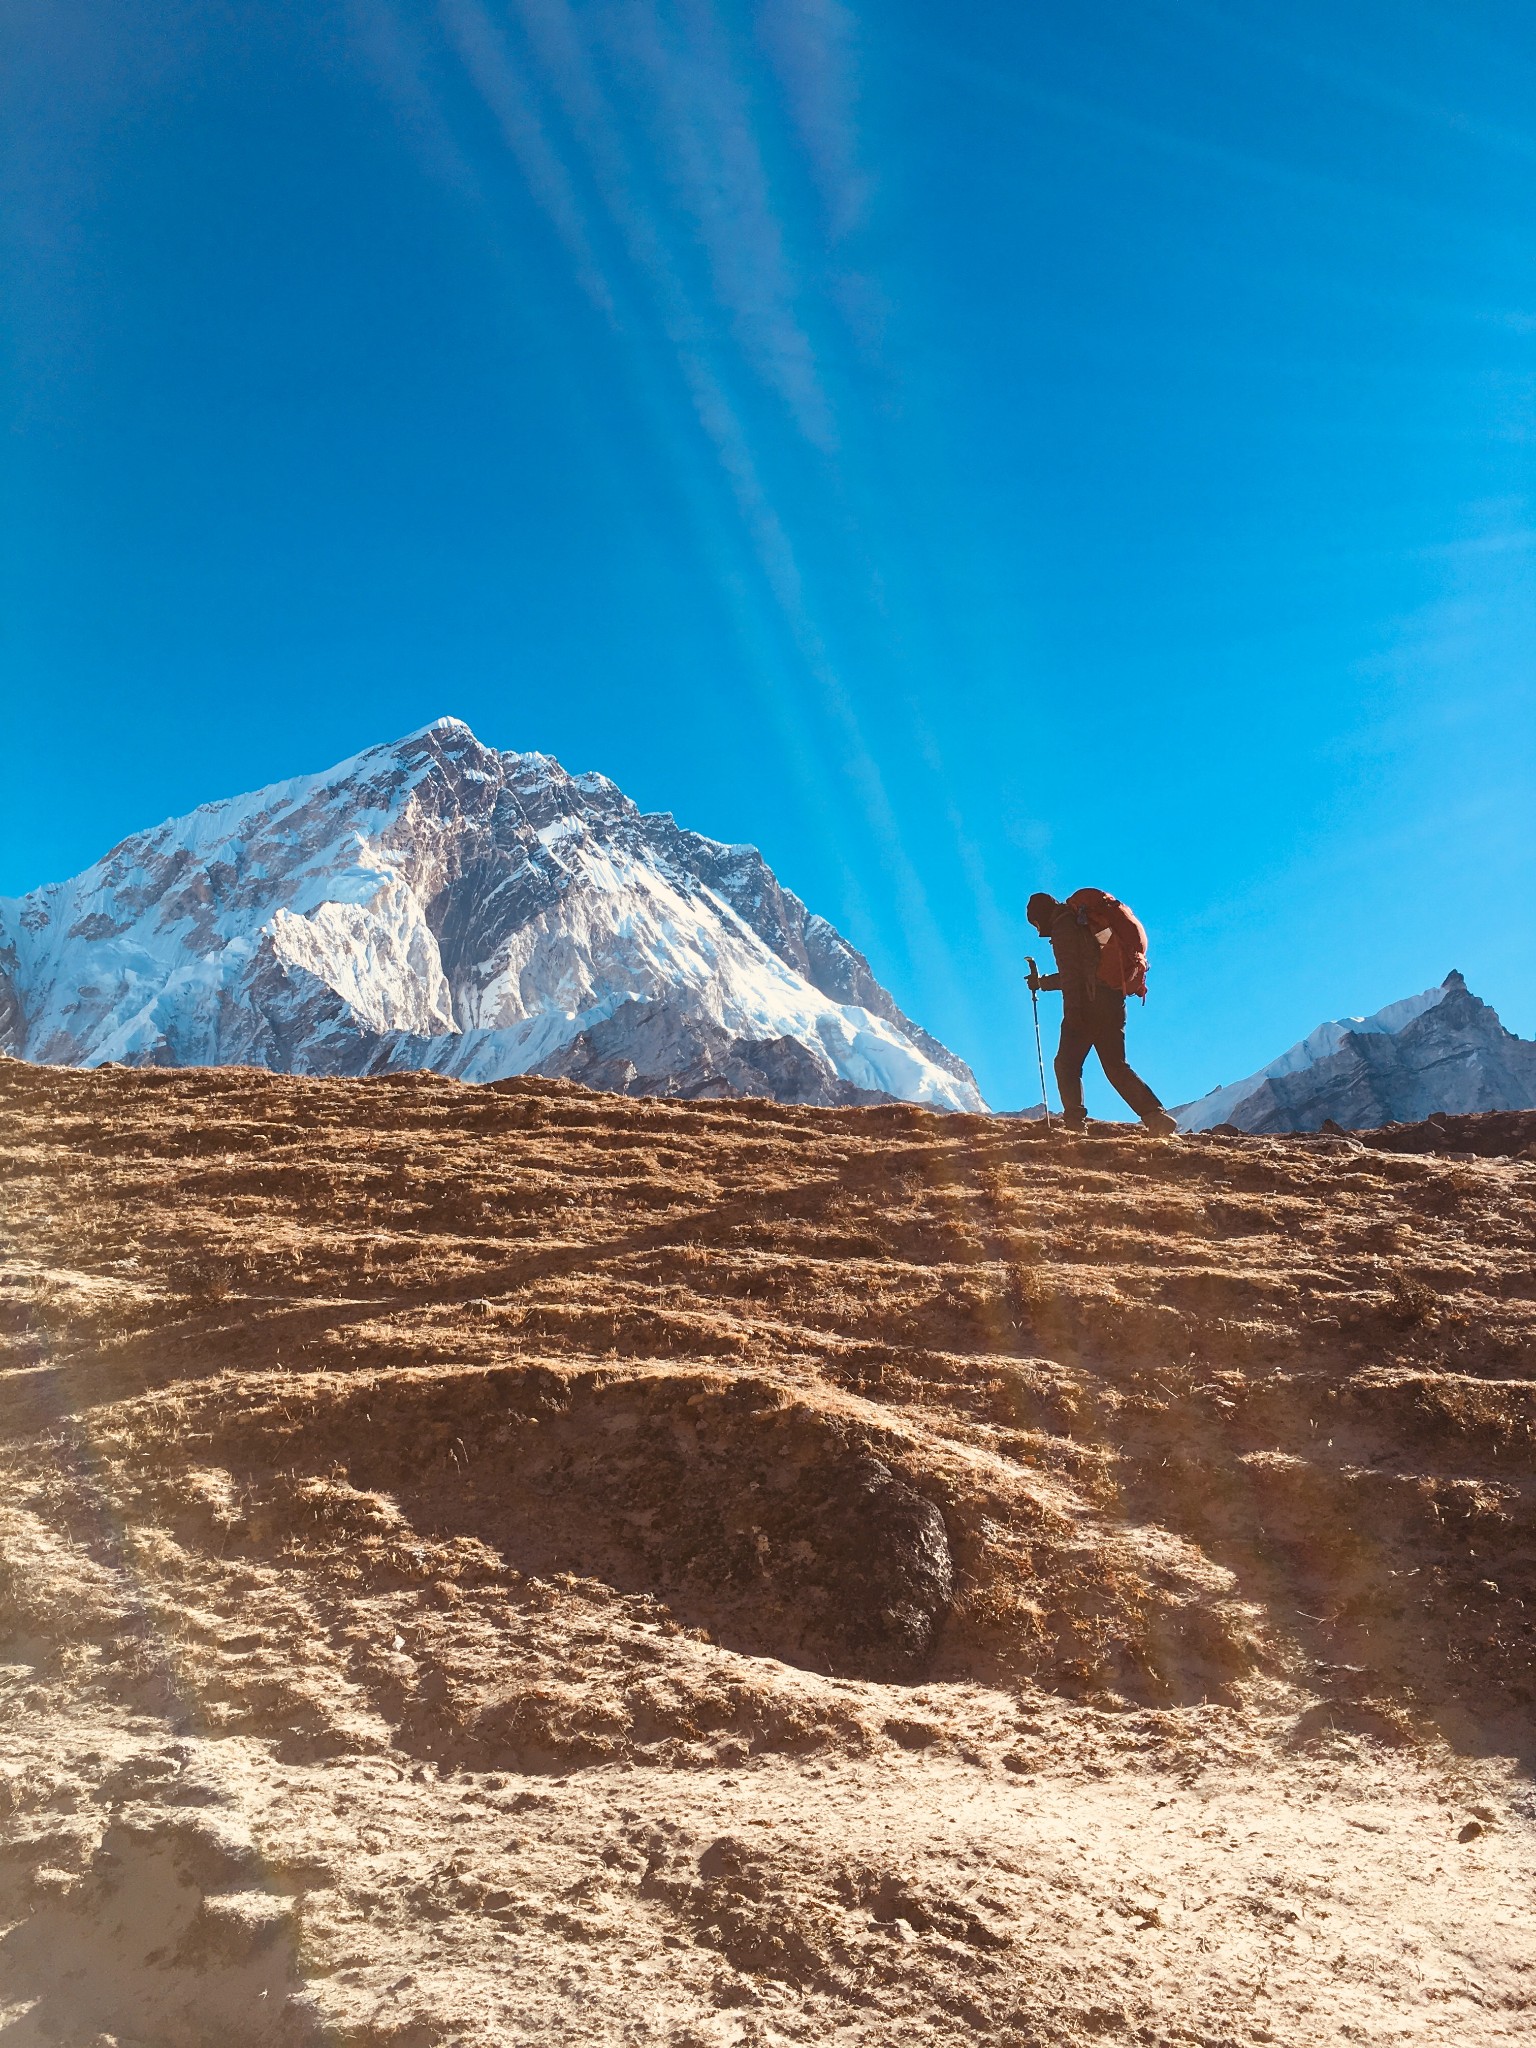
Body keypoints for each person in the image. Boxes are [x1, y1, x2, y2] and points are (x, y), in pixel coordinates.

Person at [1026, 891, 1178, 1135]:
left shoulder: (1063, 926)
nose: (1037, 930)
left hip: (1087, 1004)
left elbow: (1072, 974)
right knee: (1116, 1065)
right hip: (1113, 1000)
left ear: (1041, 916)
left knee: (1066, 1064)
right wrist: (1043, 983)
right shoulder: (1080, 921)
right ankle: (1155, 1116)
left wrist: (1073, 1010)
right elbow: (1085, 969)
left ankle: (1075, 1123)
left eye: (1035, 923)